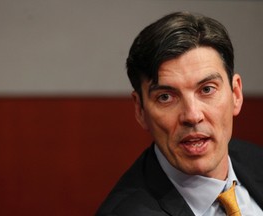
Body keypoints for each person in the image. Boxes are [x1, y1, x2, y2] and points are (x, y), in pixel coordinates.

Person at [96, 11, 263, 216]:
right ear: (140, 110)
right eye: (166, 97)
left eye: (207, 89)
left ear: (236, 94)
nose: (192, 116)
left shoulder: (255, 159)